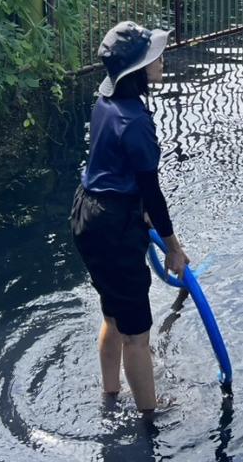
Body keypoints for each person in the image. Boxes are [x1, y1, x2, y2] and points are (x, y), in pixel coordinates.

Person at [70, 21, 189, 415]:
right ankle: (150, 416)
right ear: (137, 69)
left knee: (113, 313)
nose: (161, 60)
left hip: (87, 212)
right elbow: (151, 190)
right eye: (155, 57)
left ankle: (110, 393)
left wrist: (140, 213)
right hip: (114, 226)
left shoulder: (106, 105)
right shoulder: (136, 121)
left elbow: (113, 170)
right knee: (137, 335)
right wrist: (173, 248)